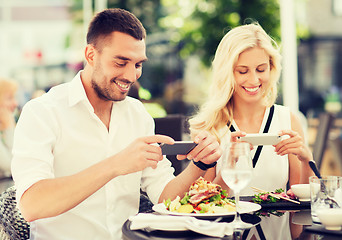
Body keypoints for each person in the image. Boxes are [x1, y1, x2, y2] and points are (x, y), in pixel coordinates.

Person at [11, 8, 221, 240]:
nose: (131, 76)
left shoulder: (137, 114)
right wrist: (115, 165)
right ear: (91, 55)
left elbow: (165, 198)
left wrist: (200, 164)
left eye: (138, 64)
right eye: (121, 62)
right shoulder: (42, 113)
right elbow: (32, 205)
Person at [189, 23, 314, 196]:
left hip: (278, 224)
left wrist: (306, 158)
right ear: (227, 73)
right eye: (242, 71)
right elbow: (201, 204)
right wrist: (229, 166)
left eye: (261, 69)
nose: (254, 80)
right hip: (228, 224)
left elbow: (303, 203)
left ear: (271, 68)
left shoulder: (288, 120)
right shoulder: (209, 127)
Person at [0, 77, 18, 178]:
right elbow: (12, 165)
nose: (15, 103)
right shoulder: (7, 126)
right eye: (9, 98)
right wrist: (9, 127)